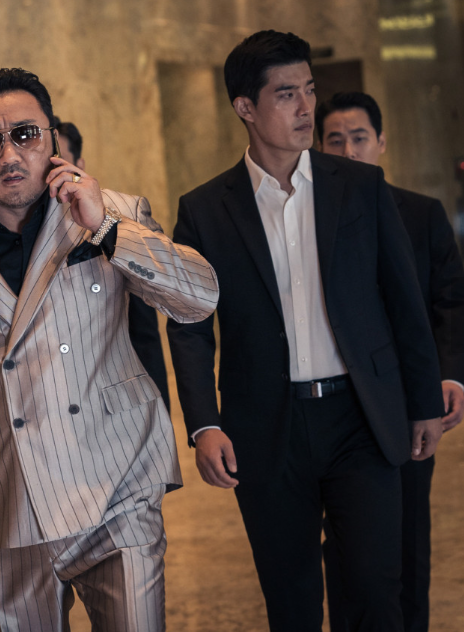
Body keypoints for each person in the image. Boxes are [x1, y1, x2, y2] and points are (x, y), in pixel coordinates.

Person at [0, 67, 218, 632]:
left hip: (117, 485)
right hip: (3, 502)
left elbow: (198, 299)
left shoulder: (112, 211)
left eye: (25, 134)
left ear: (51, 140)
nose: (9, 154)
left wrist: (107, 229)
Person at [166, 30, 445, 632]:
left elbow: (404, 303)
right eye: (286, 93)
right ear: (245, 107)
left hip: (360, 418)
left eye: (309, 90)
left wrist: (423, 402)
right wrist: (204, 423)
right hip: (268, 426)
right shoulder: (205, 209)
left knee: (374, 589)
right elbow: (189, 324)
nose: (306, 108)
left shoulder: (360, 187)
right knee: (290, 600)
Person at [317, 91, 464, 632]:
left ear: (381, 142)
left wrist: (448, 376)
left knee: (407, 537)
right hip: (335, 408)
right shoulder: (309, 220)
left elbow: (450, 303)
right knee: (344, 545)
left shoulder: (421, 214)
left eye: (359, 138)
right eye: (336, 141)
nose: (349, 151)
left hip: (406, 404)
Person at [55, 117, 172, 412]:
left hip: (114, 407)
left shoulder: (115, 222)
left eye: (58, 163)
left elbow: (144, 336)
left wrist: (160, 411)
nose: (51, 174)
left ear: (80, 165)